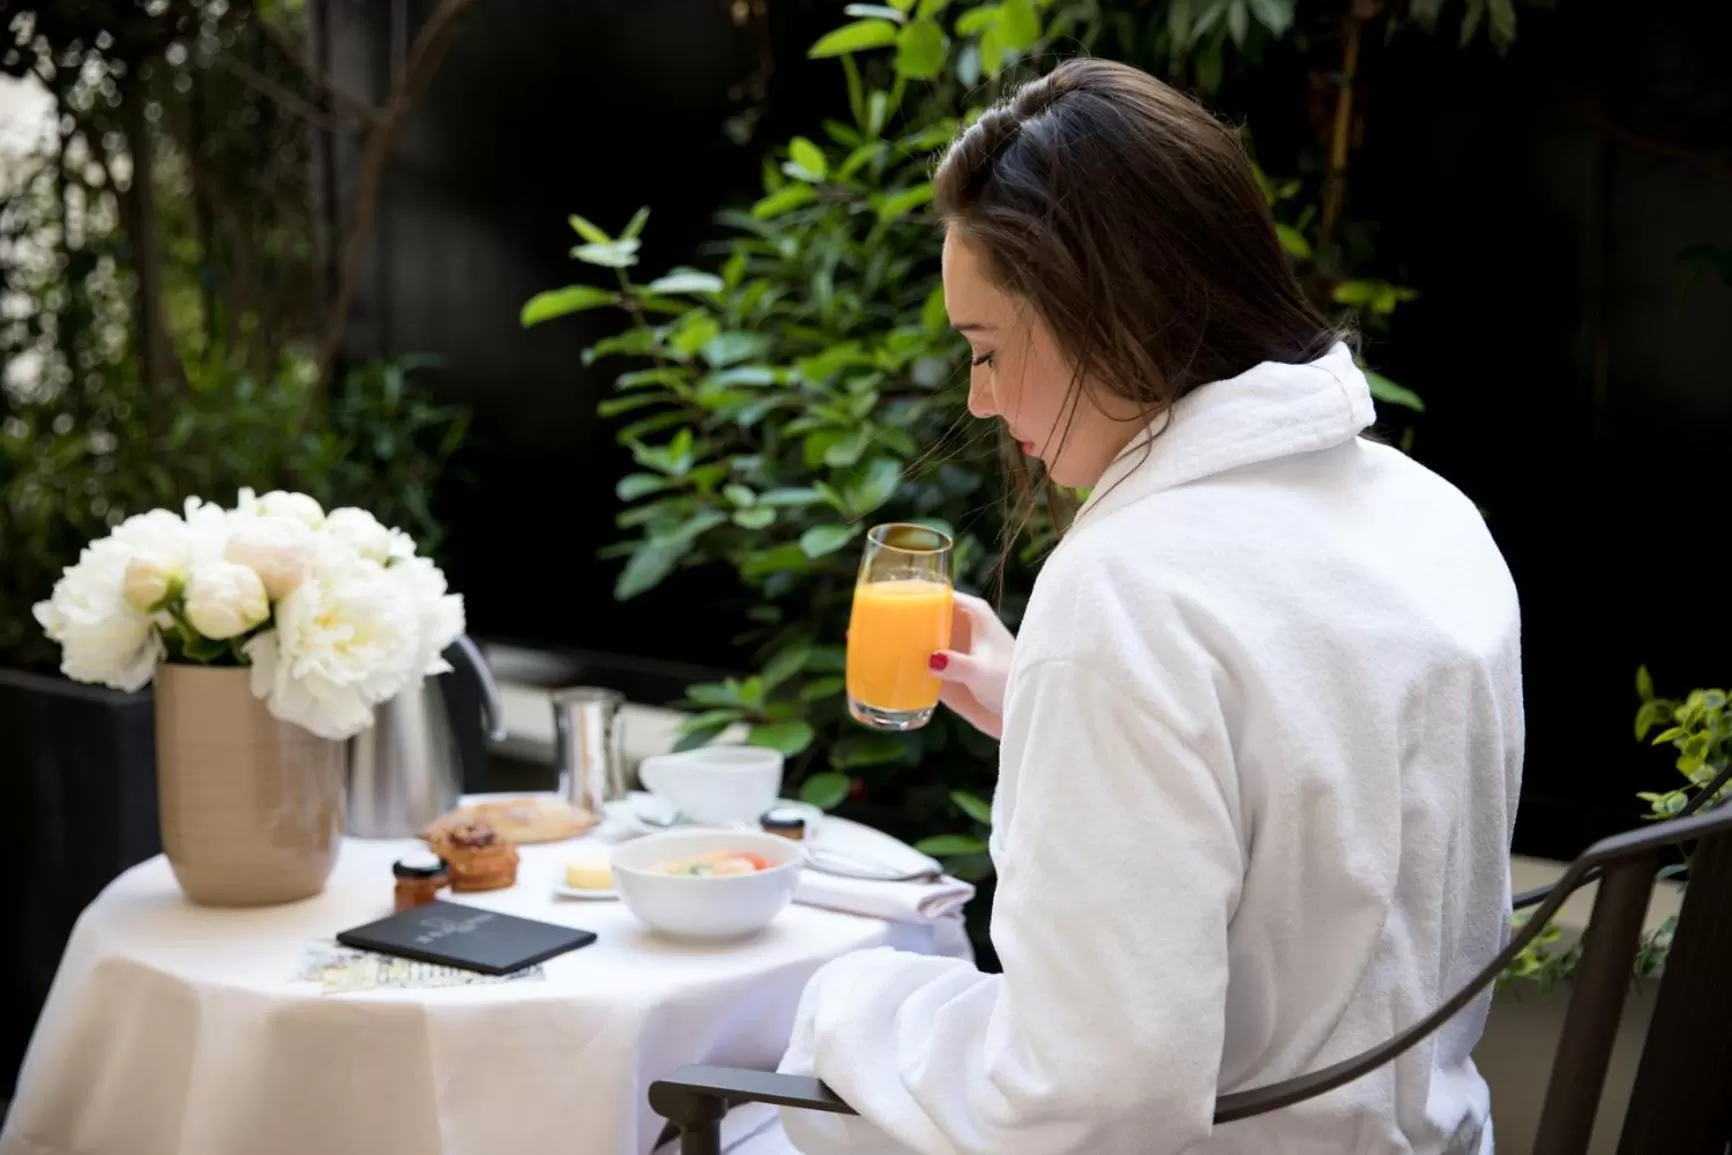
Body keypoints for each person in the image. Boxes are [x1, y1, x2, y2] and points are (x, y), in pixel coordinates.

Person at [773, 58, 1523, 1155]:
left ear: (1102, 310)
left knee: (763, 1081)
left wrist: (846, 1010)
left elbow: (1088, 1108)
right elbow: (1322, 809)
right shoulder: (1430, 518)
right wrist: (1044, 695)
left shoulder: (1124, 593)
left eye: (984, 349)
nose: (978, 398)